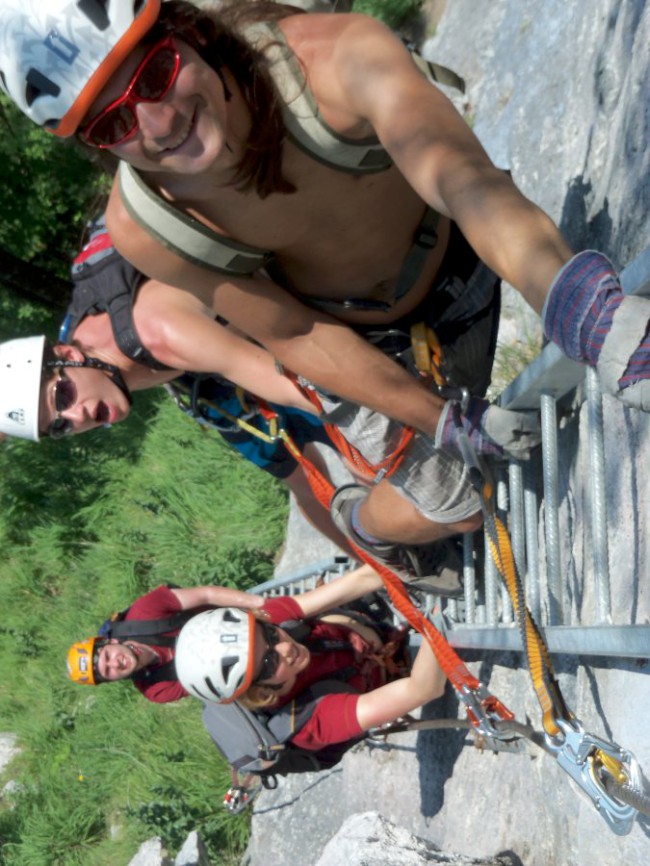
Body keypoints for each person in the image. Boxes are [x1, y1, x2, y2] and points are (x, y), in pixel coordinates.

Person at [6, 2, 638, 575]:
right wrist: (441, 422)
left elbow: (463, 180)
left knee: (459, 489)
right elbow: (292, 332)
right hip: (361, 344)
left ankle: (360, 522)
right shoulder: (145, 229)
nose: (159, 120)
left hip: (462, 277)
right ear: (96, 147)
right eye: (114, 123)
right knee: (456, 497)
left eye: (156, 74)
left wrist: (584, 309)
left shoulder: (336, 60)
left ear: (187, 32)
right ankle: (364, 525)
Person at [174, 568, 446, 753]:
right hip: (394, 666)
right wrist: (438, 614)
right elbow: (423, 688)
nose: (285, 647)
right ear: (259, 691)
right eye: (269, 663)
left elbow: (363, 578)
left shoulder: (259, 628)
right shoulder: (306, 721)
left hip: (364, 624)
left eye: (270, 634)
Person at [65, 562, 394, 710]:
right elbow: (216, 683)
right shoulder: (156, 688)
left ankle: (369, 591)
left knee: (289, 616)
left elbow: (206, 594)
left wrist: (260, 606)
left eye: (106, 657)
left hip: (238, 626)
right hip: (231, 659)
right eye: (107, 672)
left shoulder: (144, 614)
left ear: (108, 642)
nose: (114, 664)